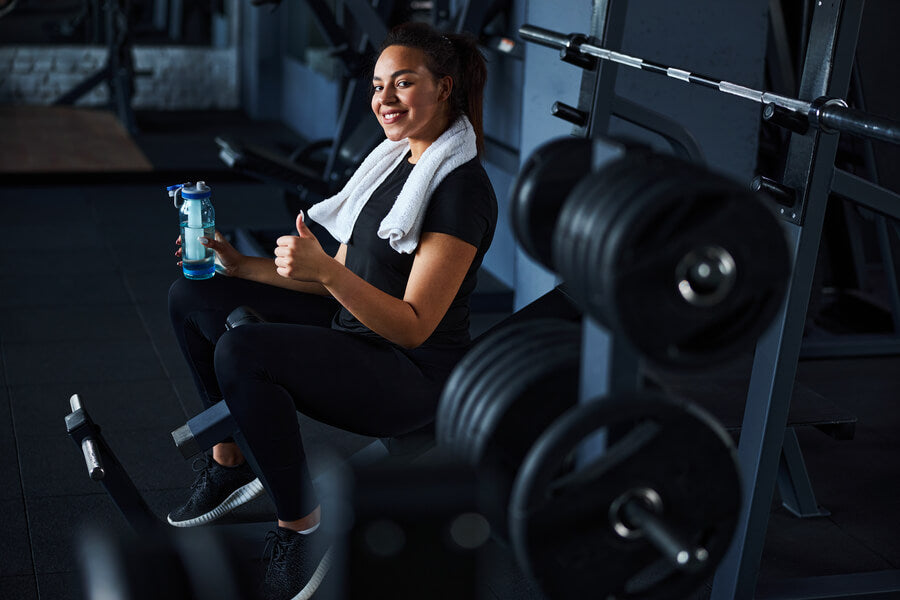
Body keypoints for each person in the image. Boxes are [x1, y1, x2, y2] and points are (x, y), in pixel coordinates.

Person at [167, 21, 496, 600]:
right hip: (357, 332)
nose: (383, 101)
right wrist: (240, 265)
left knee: (243, 351)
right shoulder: (395, 162)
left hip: (410, 377)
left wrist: (326, 271)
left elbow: (415, 327)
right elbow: (338, 278)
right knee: (193, 294)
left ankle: (300, 526)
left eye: (403, 84)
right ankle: (231, 459)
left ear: (445, 88)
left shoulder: (460, 191)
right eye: (377, 86)